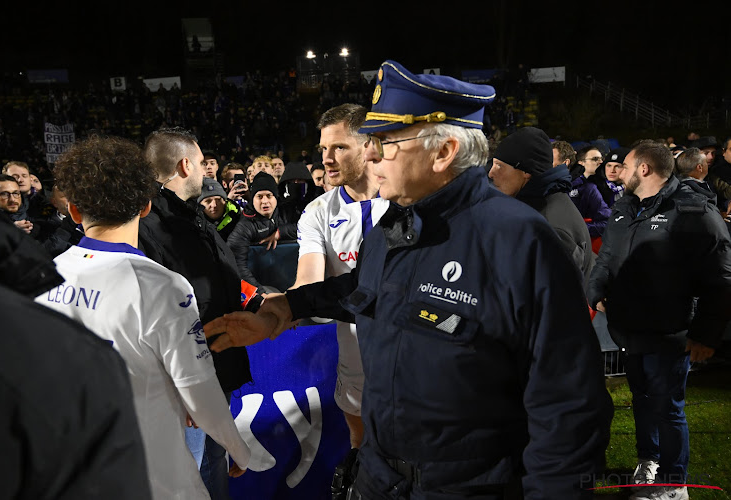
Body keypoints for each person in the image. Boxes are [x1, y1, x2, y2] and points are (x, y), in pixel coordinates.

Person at [206, 59, 613, 499]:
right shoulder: (396, 226)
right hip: (382, 479)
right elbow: (365, 291)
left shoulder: (519, 240)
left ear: (444, 152)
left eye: (386, 141)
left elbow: (570, 406)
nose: (373, 153)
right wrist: (283, 310)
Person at [34, 135, 252, 500]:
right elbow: (198, 388)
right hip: (152, 465)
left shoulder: (37, 277)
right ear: (146, 206)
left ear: (73, 211)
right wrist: (242, 449)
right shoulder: (162, 285)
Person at [588, 140, 731, 500]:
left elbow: (721, 279)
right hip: (630, 329)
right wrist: (596, 289)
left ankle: (673, 483)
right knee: (641, 398)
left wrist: (705, 335)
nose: (618, 172)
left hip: (670, 333)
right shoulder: (625, 207)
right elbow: (606, 256)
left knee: (668, 408)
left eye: (626, 166)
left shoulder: (692, 211)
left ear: (645, 169)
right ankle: (649, 459)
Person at [0, 203, 151, 500]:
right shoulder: (80, 360)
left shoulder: (54, 270)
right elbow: (192, 378)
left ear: (73, 210)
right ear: (144, 207)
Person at [139, 127, 262, 500]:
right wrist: (185, 388)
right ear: (184, 164)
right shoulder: (148, 226)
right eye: (202, 164)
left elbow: (219, 284)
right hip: (186, 390)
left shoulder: (190, 219)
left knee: (212, 469)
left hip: (210, 379)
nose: (207, 173)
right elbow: (154, 317)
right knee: (191, 478)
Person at [292, 103, 390, 481]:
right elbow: (309, 282)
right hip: (354, 358)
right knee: (362, 450)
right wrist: (282, 307)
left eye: (339, 148)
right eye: (323, 150)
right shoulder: (316, 212)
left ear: (369, 146)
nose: (327, 159)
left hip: (409, 353)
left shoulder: (402, 199)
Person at [488, 126, 594, 285]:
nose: (491, 173)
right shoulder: (541, 204)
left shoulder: (548, 225)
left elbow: (555, 297)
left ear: (526, 172)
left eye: (499, 166)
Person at [226, 172, 296, 292]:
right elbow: (236, 264)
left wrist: (281, 232)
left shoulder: (286, 212)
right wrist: (261, 294)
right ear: (252, 199)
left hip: (290, 281)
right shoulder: (245, 225)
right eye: (259, 196)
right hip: (263, 286)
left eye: (269, 195)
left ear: (276, 197)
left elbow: (309, 228)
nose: (264, 201)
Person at [569, 145, 611, 237]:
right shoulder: (574, 185)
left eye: (601, 158)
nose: (600, 162)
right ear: (581, 163)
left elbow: (607, 221)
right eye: (595, 159)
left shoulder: (605, 184)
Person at [276, 160, 320, 225]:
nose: (296, 183)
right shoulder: (278, 205)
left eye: (300, 180)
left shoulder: (317, 202)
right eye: (292, 181)